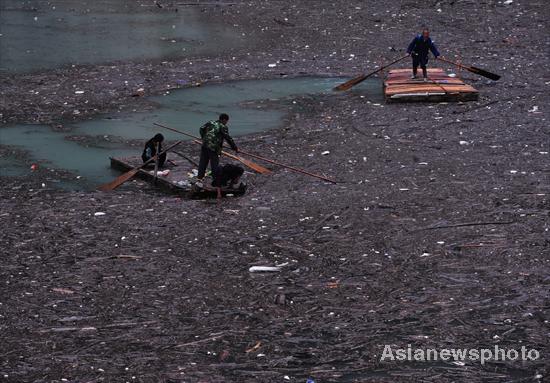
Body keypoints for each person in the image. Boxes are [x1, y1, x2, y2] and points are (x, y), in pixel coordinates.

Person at [197, 113, 238, 181]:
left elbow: (201, 129)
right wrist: (235, 147)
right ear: (224, 120)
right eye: (226, 121)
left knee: (203, 162)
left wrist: (203, 138)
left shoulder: (211, 122)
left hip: (205, 145)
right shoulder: (223, 126)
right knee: (214, 164)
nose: (226, 123)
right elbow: (228, 138)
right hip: (214, 147)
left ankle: (199, 178)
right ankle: (215, 180)